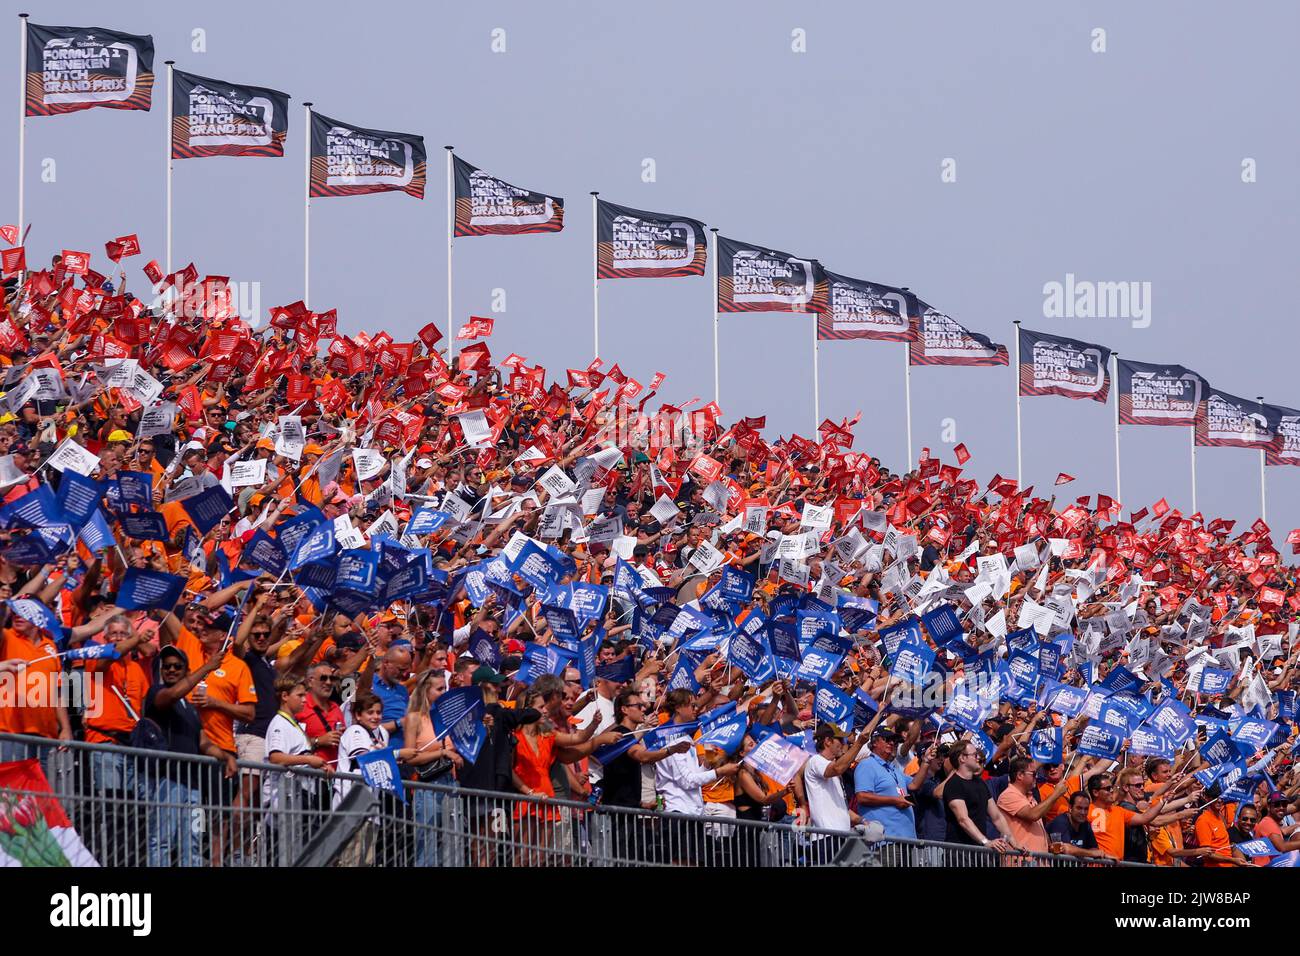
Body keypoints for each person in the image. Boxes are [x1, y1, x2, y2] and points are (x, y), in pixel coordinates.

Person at [142, 646, 235, 866]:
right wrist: (207, 668)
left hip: (193, 785)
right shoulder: (157, 692)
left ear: (186, 670)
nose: (171, 670)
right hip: (167, 780)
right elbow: (172, 695)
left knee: (191, 841)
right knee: (163, 839)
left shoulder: (191, 708)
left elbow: (203, 742)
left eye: (177, 666)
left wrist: (226, 756)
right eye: (167, 666)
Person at [264, 674, 329, 865]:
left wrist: (318, 764)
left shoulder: (293, 724)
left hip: (298, 799)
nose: (304, 700)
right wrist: (308, 759)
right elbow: (276, 757)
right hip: (281, 801)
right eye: (300, 695)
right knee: (280, 856)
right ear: (285, 696)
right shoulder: (279, 723)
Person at [942, 739, 1018, 853]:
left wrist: (1015, 844)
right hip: (958, 854)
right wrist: (986, 842)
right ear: (962, 758)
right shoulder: (954, 784)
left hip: (978, 853)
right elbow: (963, 819)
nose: (978, 758)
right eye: (974, 755)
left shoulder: (980, 783)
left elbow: (997, 817)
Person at [852, 726, 915, 840]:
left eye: (894, 741)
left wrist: (926, 761)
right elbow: (862, 797)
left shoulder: (894, 768)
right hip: (886, 839)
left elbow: (914, 785)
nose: (892, 743)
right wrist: (895, 800)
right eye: (887, 739)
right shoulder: (867, 764)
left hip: (908, 838)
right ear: (875, 742)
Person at [1046, 791, 1105, 859]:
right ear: (1070, 808)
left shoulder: (1085, 824)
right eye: (1079, 808)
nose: (1083, 812)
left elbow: (1094, 849)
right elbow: (1066, 849)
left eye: (1086, 809)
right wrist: (1091, 853)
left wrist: (1096, 853)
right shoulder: (1060, 822)